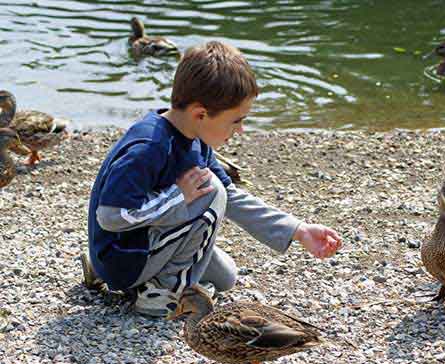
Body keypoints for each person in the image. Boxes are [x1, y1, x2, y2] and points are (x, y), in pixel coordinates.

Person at [84, 41, 342, 316]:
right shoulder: (149, 147)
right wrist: (177, 197)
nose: (241, 130)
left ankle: (106, 270)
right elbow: (111, 217)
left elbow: (230, 197)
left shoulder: (194, 137)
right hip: (124, 259)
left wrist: (298, 230)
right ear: (200, 113)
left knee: (225, 277)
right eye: (236, 121)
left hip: (139, 248)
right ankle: (159, 291)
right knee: (211, 192)